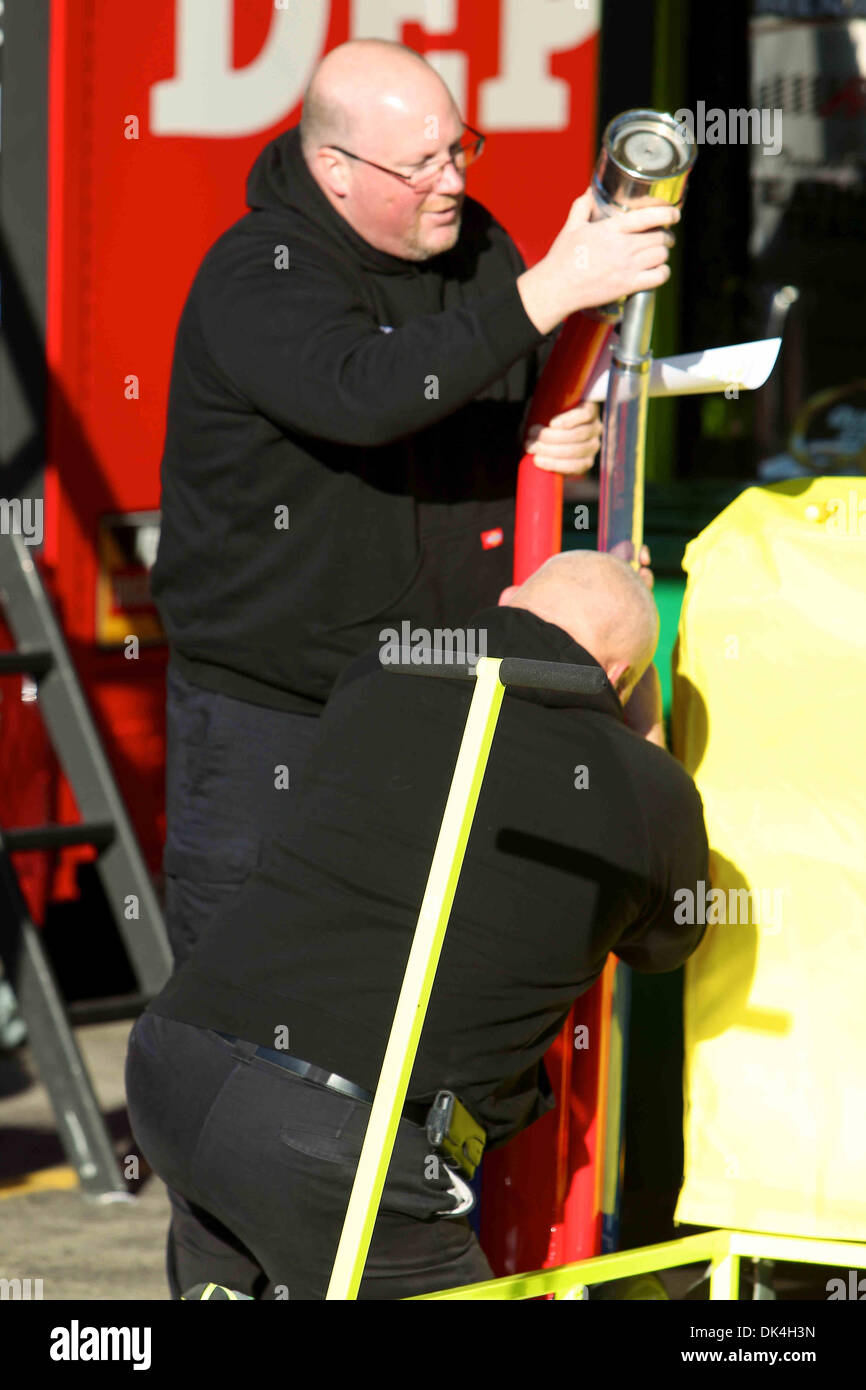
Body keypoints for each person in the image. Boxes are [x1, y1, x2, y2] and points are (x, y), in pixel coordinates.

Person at [148, 37, 680, 968]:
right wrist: (554, 286)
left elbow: (490, 390)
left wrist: (545, 432)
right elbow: (363, 394)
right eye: (421, 162)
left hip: (431, 696)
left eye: (461, 148)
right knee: (247, 979)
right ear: (335, 171)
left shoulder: (475, 249)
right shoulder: (261, 272)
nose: (451, 180)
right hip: (274, 713)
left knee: (401, 982)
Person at [126, 551, 709, 1300]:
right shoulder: (646, 791)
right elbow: (668, 941)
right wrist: (646, 720)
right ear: (624, 678)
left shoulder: (381, 672)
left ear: (507, 599)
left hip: (177, 1067)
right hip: (338, 1149)